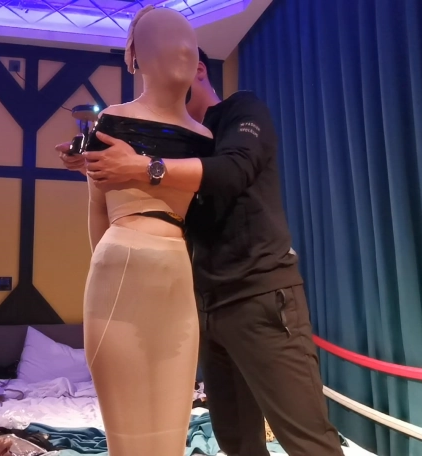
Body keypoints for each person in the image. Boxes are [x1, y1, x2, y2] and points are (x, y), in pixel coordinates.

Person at [57, 49, 345, 455]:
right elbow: (124, 178)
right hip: (201, 306)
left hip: (259, 296)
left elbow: (233, 169)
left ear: (197, 69)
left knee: (308, 440)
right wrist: (93, 159)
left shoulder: (240, 111)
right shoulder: (173, 137)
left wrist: (143, 167)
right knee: (235, 441)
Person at [75, 7, 214, 456]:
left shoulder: (206, 140)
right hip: (121, 268)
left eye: (188, 42)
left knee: (171, 434)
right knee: (129, 437)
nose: (181, 49)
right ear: (135, 57)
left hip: (178, 282)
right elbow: (97, 207)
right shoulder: (112, 122)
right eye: (165, 40)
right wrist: (107, 267)